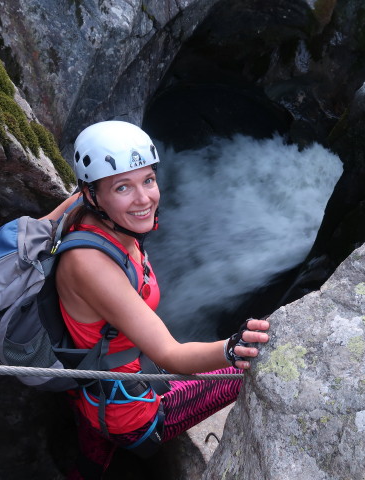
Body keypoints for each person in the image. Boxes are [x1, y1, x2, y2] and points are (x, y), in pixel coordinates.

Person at [43, 121, 270, 478]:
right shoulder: (91, 265)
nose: (144, 198)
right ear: (92, 195)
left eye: (148, 180)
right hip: (131, 414)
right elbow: (170, 355)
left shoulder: (84, 212)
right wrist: (232, 348)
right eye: (123, 188)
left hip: (89, 389)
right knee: (254, 371)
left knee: (90, 460)